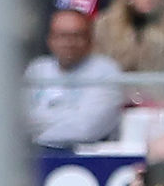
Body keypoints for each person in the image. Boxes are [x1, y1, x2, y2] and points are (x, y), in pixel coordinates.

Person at [26, 8, 124, 147]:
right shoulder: (38, 69)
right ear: (50, 40)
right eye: (62, 35)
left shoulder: (106, 71)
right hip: (36, 156)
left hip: (86, 158)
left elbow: (86, 129)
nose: (69, 42)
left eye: (77, 35)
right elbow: (18, 121)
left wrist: (38, 129)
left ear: (90, 40)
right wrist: (71, 114)